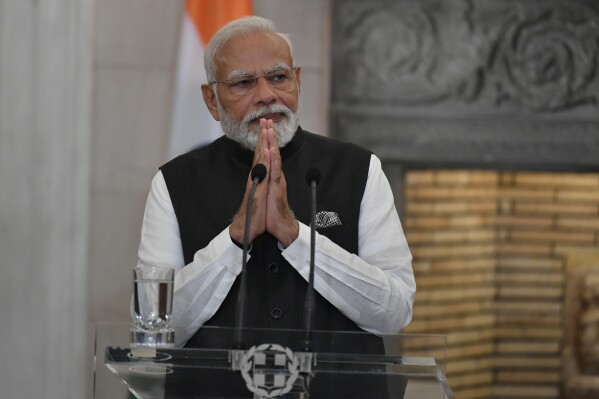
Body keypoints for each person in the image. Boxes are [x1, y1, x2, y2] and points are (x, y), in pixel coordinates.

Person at [136, 15, 415, 397]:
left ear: (298, 81)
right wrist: (236, 238)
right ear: (210, 100)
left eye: (278, 77)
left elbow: (395, 312)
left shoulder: (358, 169)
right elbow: (153, 331)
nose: (266, 94)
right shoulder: (173, 182)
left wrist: (295, 234)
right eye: (243, 82)